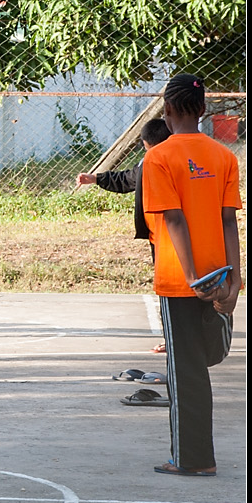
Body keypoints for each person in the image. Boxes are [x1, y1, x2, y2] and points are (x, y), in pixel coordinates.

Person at [141, 74, 241, 477]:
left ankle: (192, 459)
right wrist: (235, 281)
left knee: (185, 373)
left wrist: (192, 276)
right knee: (201, 362)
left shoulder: (158, 157)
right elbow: (229, 221)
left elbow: (175, 220)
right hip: (219, 274)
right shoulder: (223, 156)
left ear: (167, 110)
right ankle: (199, 456)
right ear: (202, 109)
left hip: (182, 280)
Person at [76, 117, 172, 354]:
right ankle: (175, 339)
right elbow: (128, 178)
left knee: (174, 290)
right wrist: (96, 178)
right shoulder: (148, 164)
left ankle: (179, 340)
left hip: (172, 237)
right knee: (170, 290)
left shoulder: (170, 163)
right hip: (159, 237)